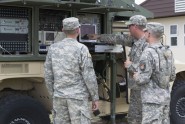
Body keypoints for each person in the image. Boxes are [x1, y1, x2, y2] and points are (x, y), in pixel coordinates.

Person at [88, 15, 148, 124]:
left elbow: (148, 69)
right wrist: (98, 36)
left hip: (145, 90)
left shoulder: (148, 44)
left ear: (135, 26)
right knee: (133, 119)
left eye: (129, 26)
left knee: (145, 118)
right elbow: (118, 38)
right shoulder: (135, 41)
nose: (128, 28)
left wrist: (131, 66)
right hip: (136, 88)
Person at [44, 17, 99, 124]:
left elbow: (48, 75)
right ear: (78, 30)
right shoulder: (82, 49)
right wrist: (95, 97)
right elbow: (89, 76)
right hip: (77, 98)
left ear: (63, 30)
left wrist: (54, 94)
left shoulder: (53, 48)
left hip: (59, 97)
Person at [133, 22, 176, 124]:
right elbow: (172, 76)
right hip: (165, 98)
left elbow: (142, 79)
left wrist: (135, 76)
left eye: (145, 32)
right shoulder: (168, 51)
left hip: (151, 101)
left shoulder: (148, 53)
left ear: (149, 34)